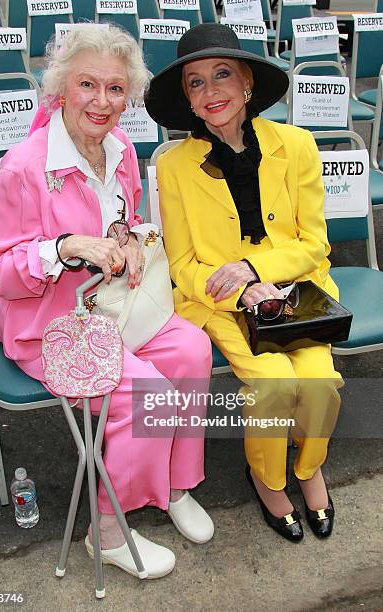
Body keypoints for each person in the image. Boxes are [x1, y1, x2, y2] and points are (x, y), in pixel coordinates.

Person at [0, 25, 214, 578]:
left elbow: (123, 219)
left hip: (116, 304)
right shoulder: (24, 167)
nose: (103, 102)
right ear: (61, 88)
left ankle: (174, 485)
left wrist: (127, 240)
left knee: (192, 351)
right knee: (142, 391)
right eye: (88, 85)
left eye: (115, 89)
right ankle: (105, 529)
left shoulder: (122, 148)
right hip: (49, 323)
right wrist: (62, 248)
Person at [145, 23, 343, 542]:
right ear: (186, 100)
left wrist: (259, 270)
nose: (211, 92)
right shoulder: (174, 167)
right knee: (274, 382)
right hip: (218, 300)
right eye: (195, 83)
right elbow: (183, 265)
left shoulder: (297, 145)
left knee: (319, 380)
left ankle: (309, 467)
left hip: (296, 288)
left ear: (247, 82)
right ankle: (269, 480)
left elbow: (314, 244)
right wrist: (238, 287)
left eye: (222, 75)